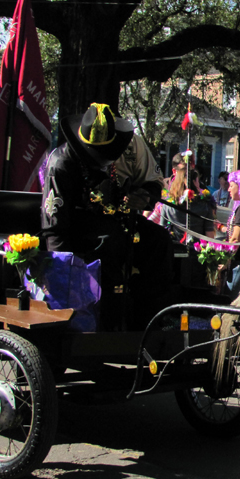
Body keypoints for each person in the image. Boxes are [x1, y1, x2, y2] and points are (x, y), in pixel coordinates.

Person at [41, 103, 172, 328]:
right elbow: (55, 227)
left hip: (117, 220)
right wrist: (61, 278)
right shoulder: (61, 164)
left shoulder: (123, 151)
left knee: (159, 240)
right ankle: (109, 319)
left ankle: (150, 319)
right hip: (77, 229)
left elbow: (151, 184)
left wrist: (144, 196)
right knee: (112, 242)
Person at [160, 167, 216, 243]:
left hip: (175, 247)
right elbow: (209, 236)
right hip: (198, 248)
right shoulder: (204, 205)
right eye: (198, 181)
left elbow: (162, 229)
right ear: (194, 182)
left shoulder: (168, 205)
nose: (199, 184)